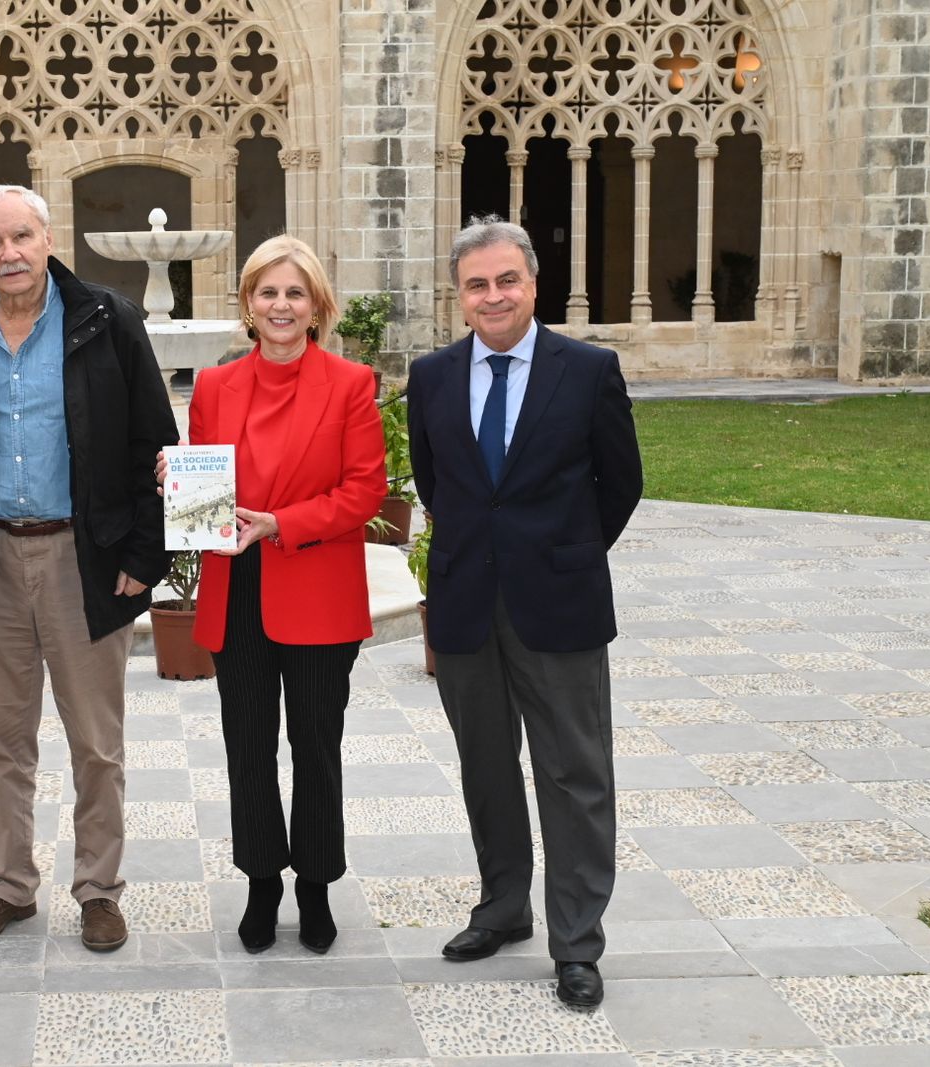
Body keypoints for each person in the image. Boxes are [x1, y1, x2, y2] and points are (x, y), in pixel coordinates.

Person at [0, 185, 177, 952]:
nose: (10, 254)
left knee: (96, 741)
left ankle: (98, 889)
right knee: (1, 738)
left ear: (48, 236)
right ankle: (8, 886)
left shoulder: (106, 319)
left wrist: (141, 556)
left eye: (21, 236)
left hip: (81, 556)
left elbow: (151, 445)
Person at [407, 215, 643, 1008]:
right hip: (468, 604)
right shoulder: (433, 376)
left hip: (561, 603)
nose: (494, 295)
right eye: (477, 283)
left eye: (507, 279)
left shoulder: (588, 370)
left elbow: (622, 483)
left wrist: (563, 552)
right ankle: (503, 907)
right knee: (485, 765)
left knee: (574, 773)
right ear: (459, 295)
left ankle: (576, 940)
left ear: (534, 283)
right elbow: (438, 485)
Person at [169, 235, 385, 954]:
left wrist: (281, 523)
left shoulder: (351, 384)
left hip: (316, 583)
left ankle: (317, 886)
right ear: (248, 306)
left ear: (317, 305)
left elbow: (364, 492)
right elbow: (206, 494)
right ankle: (262, 882)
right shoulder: (217, 388)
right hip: (239, 588)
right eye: (267, 292)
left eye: (295, 293)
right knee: (248, 747)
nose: (281, 305)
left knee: (317, 746)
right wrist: (181, 491)